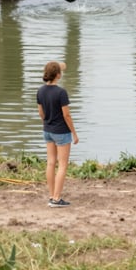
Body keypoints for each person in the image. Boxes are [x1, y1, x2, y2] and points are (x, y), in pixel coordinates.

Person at [37, 60, 79, 207]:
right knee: (62, 165)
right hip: (61, 132)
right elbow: (66, 115)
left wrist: (48, 121)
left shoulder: (40, 91)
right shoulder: (61, 93)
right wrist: (74, 133)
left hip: (47, 130)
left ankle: (51, 195)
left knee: (50, 162)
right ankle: (56, 199)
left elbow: (41, 113)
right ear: (58, 76)